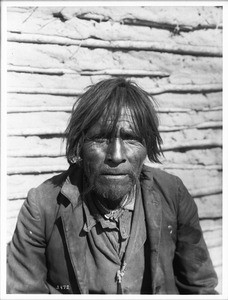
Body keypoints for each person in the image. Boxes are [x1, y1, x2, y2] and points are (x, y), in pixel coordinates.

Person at [7, 78, 218, 294]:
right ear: (80, 146)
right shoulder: (43, 207)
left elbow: (200, 288)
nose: (116, 156)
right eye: (100, 138)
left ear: (147, 147)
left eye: (130, 138)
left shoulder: (172, 194)